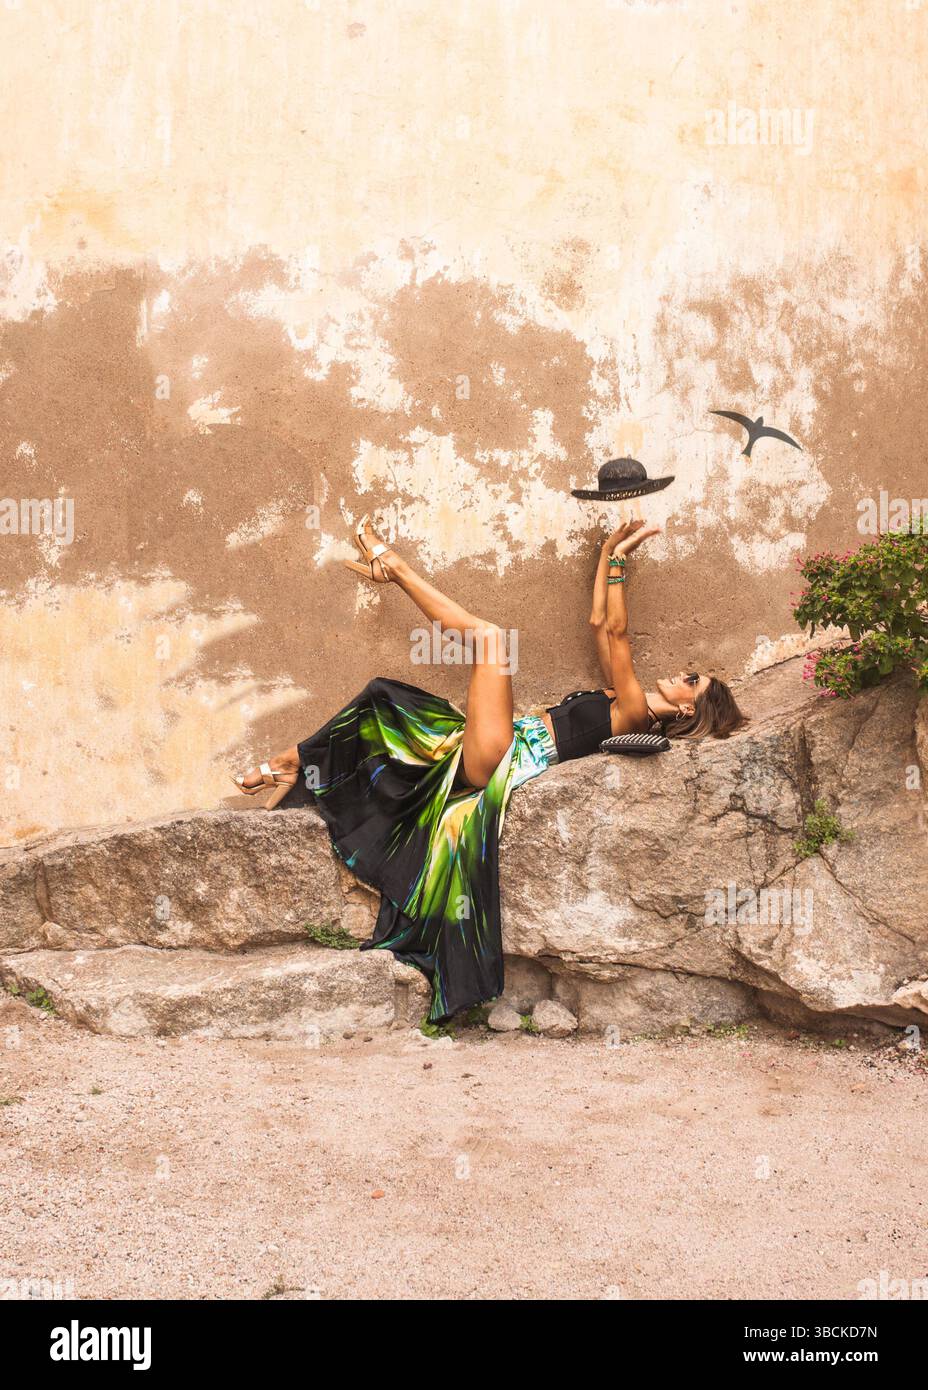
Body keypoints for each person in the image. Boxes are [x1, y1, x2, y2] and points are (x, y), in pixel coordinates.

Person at [232, 516, 746, 1020]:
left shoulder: (634, 711)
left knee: (492, 642)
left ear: (686, 711)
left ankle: (394, 569)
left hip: (503, 760)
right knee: (386, 695)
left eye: (693, 681)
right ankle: (290, 764)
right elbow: (598, 623)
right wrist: (612, 549)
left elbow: (617, 626)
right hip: (502, 742)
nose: (683, 673)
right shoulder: (620, 694)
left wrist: (617, 564)